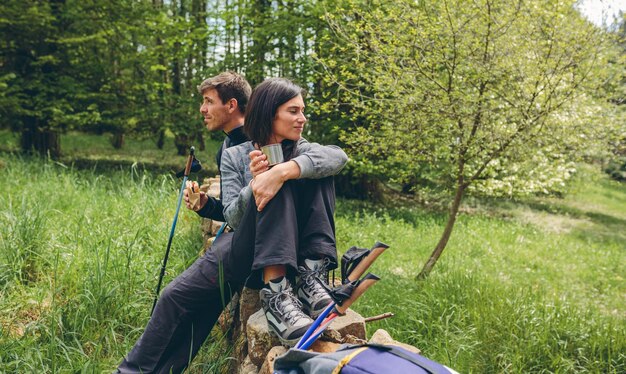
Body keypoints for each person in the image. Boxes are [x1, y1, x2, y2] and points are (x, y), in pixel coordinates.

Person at [116, 71, 251, 373]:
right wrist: (205, 205)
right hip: (234, 238)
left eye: (208, 101)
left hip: (244, 245)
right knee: (201, 315)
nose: (202, 109)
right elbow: (233, 208)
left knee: (173, 297)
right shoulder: (226, 146)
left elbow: (252, 211)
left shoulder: (256, 143)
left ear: (231, 105)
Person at [219, 77, 348, 346]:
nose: (302, 118)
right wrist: (257, 184)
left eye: (302, 111)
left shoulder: (302, 148)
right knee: (274, 181)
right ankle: (276, 296)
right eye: (293, 111)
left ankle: (311, 279)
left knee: (313, 168)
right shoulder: (234, 156)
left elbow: (338, 157)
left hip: (296, 253)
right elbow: (231, 217)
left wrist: (281, 171)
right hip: (252, 253)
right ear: (269, 113)